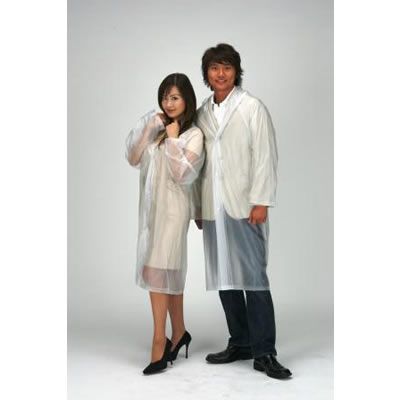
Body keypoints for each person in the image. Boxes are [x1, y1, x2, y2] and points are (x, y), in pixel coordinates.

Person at [194, 43, 292, 379]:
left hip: (245, 205)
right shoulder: (202, 113)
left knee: (254, 278)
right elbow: (198, 163)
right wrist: (199, 206)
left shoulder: (252, 107)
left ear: (236, 71)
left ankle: (265, 352)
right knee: (225, 274)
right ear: (207, 74)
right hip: (214, 206)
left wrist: (261, 200)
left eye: (227, 67)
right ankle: (241, 342)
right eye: (214, 68)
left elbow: (265, 155)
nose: (220, 74)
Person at [126, 73, 204, 375]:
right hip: (153, 209)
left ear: (187, 100)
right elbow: (133, 157)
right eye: (164, 97)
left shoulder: (193, 135)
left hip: (174, 211)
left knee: (157, 270)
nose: (168, 103)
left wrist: (173, 139)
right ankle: (180, 331)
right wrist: (151, 128)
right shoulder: (158, 130)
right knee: (167, 271)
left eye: (175, 97)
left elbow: (183, 175)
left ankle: (159, 340)